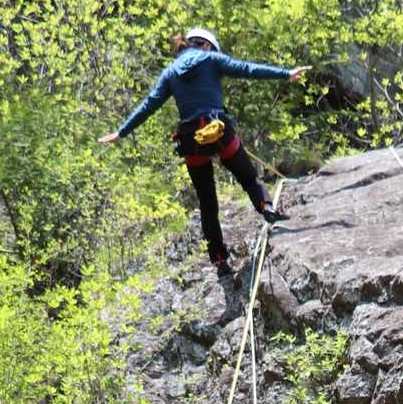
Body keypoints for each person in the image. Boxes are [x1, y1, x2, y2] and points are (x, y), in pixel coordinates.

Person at [99, 28, 309, 271]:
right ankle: (266, 207)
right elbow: (247, 69)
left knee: (207, 202)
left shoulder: (170, 73)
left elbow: (149, 104)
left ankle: (219, 258)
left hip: (191, 139)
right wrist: (286, 74)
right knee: (248, 176)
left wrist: (121, 132)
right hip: (218, 129)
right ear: (207, 46)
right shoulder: (211, 59)